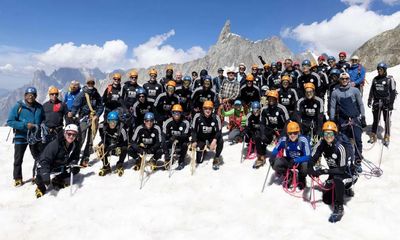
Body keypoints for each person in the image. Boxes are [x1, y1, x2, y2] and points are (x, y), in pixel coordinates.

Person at [308, 121, 358, 222]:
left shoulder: (340, 147)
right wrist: (310, 168)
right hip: (333, 172)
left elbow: (341, 169)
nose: (328, 136)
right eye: (326, 133)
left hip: (346, 174)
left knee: (338, 179)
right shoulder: (322, 143)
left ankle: (339, 208)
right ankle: (341, 190)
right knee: (327, 199)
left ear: (335, 134)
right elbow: (313, 157)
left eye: (330, 133)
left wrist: (322, 171)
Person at [7, 87, 44, 186]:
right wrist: (24, 125)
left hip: (34, 136)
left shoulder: (40, 107)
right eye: (28, 94)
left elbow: (43, 119)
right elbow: (10, 121)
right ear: (25, 95)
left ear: (35, 96)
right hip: (21, 136)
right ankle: (18, 178)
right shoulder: (18, 106)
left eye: (33, 95)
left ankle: (36, 176)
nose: (30, 96)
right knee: (18, 158)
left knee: (38, 157)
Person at [330, 72, 366, 167]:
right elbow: (332, 107)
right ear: (340, 80)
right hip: (343, 120)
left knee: (357, 139)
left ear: (349, 79)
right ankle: (346, 158)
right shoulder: (335, 92)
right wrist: (332, 119)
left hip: (355, 118)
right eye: (342, 79)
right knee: (344, 141)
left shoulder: (355, 90)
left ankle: (358, 159)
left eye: (346, 78)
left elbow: (360, 104)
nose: (344, 80)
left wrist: (363, 117)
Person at [34, 124, 80, 198]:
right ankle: (40, 187)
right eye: (69, 134)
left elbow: (75, 157)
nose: (71, 136)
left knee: (75, 169)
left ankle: (57, 179)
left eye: (74, 135)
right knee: (42, 176)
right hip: (47, 165)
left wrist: (73, 163)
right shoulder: (56, 144)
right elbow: (45, 160)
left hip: (60, 165)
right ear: (65, 133)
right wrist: (45, 173)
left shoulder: (75, 144)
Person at [70, 78, 104, 167]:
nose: (90, 84)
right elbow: (75, 105)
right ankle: (74, 158)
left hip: (93, 119)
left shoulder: (96, 94)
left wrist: (97, 115)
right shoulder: (82, 94)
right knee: (80, 139)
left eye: (92, 83)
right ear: (86, 83)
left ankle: (85, 159)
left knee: (90, 140)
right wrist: (72, 114)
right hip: (84, 119)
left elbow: (101, 106)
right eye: (89, 83)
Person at [268, 121, 311, 189]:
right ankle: (289, 175)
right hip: (289, 160)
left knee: (305, 166)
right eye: (290, 133)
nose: (292, 135)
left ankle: (301, 177)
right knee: (275, 164)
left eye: (295, 133)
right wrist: (272, 156)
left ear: (298, 132)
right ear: (287, 133)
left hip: (300, 161)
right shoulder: (284, 140)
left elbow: (308, 156)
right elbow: (276, 148)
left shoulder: (303, 140)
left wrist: (295, 160)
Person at [254, 90, 289, 168]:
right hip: (270, 129)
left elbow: (287, 123)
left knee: (286, 142)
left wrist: (282, 135)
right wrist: (263, 134)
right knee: (258, 136)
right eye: (269, 99)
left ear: (276, 99)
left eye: (273, 99)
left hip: (281, 129)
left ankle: (284, 159)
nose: (271, 101)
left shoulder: (282, 108)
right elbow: (262, 123)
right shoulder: (264, 109)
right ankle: (261, 156)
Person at [367, 62, 397, 145]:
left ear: (384, 70)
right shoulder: (375, 79)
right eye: (378, 69)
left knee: (386, 120)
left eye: (381, 69)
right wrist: (370, 99)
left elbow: (393, 92)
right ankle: (373, 135)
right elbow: (372, 90)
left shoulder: (389, 79)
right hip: (376, 102)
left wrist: (391, 104)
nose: (379, 71)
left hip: (386, 103)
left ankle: (387, 136)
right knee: (376, 120)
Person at [191, 101, 224, 170]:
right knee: (199, 161)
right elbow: (193, 130)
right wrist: (194, 141)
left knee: (220, 140)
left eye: (210, 109)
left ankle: (217, 157)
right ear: (203, 109)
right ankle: (204, 150)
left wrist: (214, 140)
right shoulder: (197, 116)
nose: (208, 110)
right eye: (206, 108)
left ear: (212, 109)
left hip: (211, 137)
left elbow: (219, 131)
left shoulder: (216, 117)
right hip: (201, 138)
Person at [97, 112, 128, 176]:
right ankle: (106, 165)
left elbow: (125, 143)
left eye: (115, 121)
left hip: (118, 145)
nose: (112, 123)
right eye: (110, 121)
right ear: (107, 121)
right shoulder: (102, 126)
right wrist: (104, 144)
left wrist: (115, 146)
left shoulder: (122, 130)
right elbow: (103, 137)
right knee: (100, 148)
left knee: (124, 148)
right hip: (108, 144)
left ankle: (120, 164)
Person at [162, 104, 190, 170]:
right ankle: (167, 158)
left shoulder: (185, 122)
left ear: (181, 113)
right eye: (175, 112)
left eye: (178, 113)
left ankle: (181, 161)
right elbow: (163, 135)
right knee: (164, 141)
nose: (176, 114)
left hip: (181, 141)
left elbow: (185, 135)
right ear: (172, 113)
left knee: (185, 144)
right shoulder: (168, 122)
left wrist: (176, 137)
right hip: (171, 140)